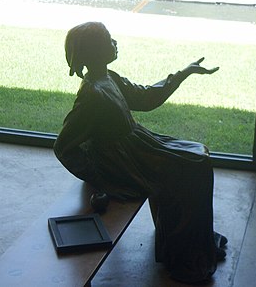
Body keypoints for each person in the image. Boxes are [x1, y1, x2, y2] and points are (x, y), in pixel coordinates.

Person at [54, 21, 227, 283]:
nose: (114, 43)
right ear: (94, 51)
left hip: (139, 144)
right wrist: (101, 178)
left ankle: (190, 241)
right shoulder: (91, 95)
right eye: (108, 40)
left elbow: (146, 97)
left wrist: (183, 73)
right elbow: (64, 146)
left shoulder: (108, 77)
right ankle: (185, 250)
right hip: (125, 160)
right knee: (194, 165)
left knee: (198, 156)